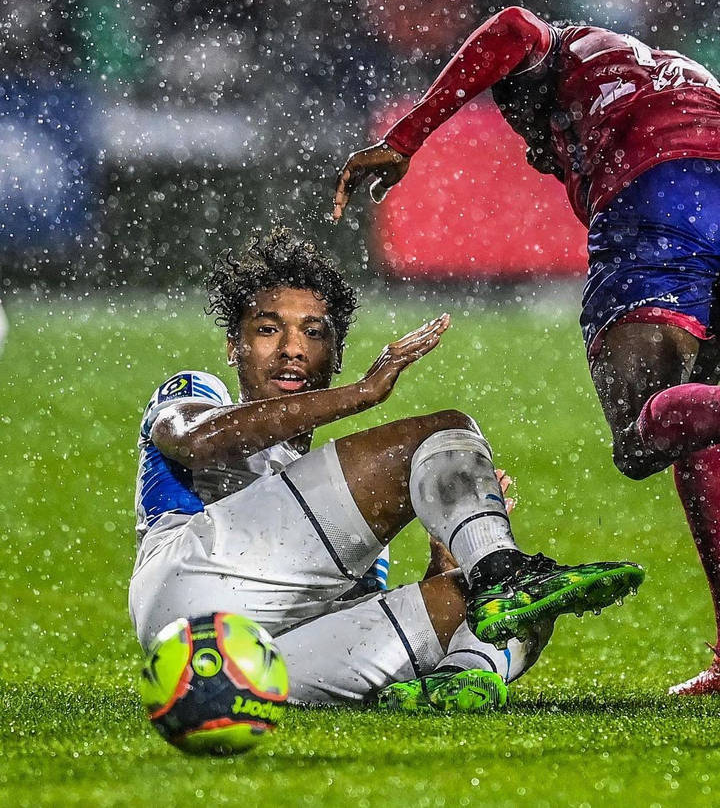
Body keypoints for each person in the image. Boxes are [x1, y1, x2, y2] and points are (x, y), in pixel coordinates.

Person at [334, 6, 720, 695]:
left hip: (664, 194)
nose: (530, 149)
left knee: (641, 435)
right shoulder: (664, 74)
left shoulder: (567, 53)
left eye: (524, 126)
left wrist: (406, 136)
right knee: (701, 428)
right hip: (701, 178)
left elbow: (511, 28)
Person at [129, 228, 642, 710]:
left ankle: (461, 676)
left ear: (335, 354)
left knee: (522, 607)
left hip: (251, 659)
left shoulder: (339, 519)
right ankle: (503, 572)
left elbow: (360, 622)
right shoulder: (200, 395)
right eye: (267, 330)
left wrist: (442, 566)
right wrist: (362, 394)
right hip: (185, 589)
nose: (291, 349)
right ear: (232, 346)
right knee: (444, 431)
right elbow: (196, 440)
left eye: (313, 333)